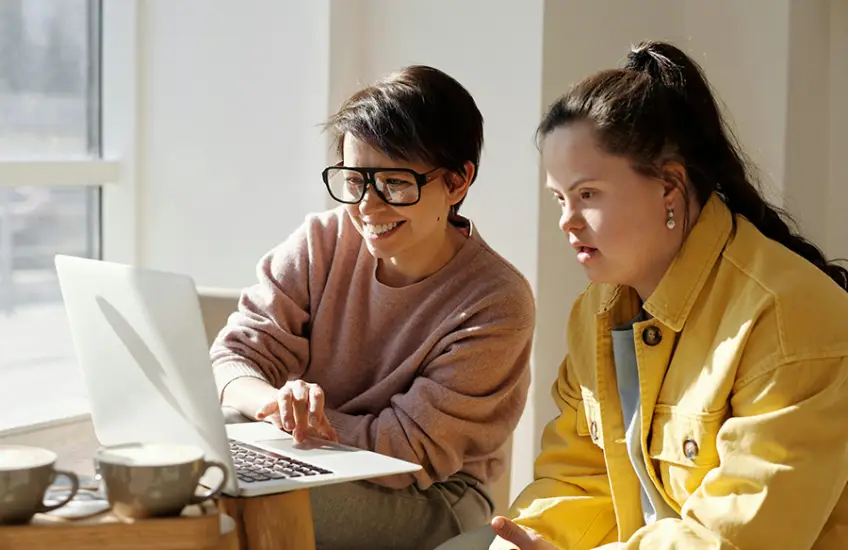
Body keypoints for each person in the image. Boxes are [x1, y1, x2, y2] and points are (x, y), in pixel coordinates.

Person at [466, 40, 848, 549]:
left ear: (669, 186)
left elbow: (740, 537)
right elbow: (579, 478)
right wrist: (528, 539)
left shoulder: (786, 316)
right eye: (559, 198)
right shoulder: (596, 312)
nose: (567, 221)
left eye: (588, 195)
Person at [209, 65, 535, 550]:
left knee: (250, 497)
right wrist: (272, 405)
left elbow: (407, 451)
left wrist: (310, 424)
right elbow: (234, 357)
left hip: (431, 494)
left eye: (395, 184)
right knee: (198, 462)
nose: (367, 207)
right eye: (355, 179)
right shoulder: (322, 240)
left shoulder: (495, 301)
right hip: (309, 455)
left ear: (458, 181)